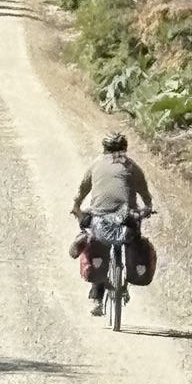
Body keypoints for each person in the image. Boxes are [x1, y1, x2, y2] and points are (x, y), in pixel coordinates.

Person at [70, 131, 154, 314]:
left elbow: (81, 191)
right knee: (134, 239)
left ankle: (97, 297)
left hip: (101, 217)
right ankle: (132, 271)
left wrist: (76, 208)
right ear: (125, 148)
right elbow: (145, 193)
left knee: (98, 245)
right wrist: (147, 207)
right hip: (127, 217)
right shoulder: (132, 167)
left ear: (104, 148)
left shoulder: (96, 165)